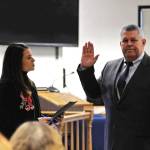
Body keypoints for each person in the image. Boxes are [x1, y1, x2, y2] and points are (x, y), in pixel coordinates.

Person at [77, 24, 150, 150]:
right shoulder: (110, 67)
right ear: (120, 44)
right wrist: (86, 69)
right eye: (125, 41)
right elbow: (94, 95)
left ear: (143, 42)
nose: (129, 44)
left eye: (133, 40)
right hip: (112, 143)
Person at [0, 44, 59, 139]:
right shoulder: (5, 87)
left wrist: (48, 119)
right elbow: (6, 123)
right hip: (14, 142)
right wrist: (36, 123)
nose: (33, 60)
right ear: (17, 62)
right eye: (28, 58)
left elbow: (36, 114)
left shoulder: (31, 84)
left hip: (32, 139)